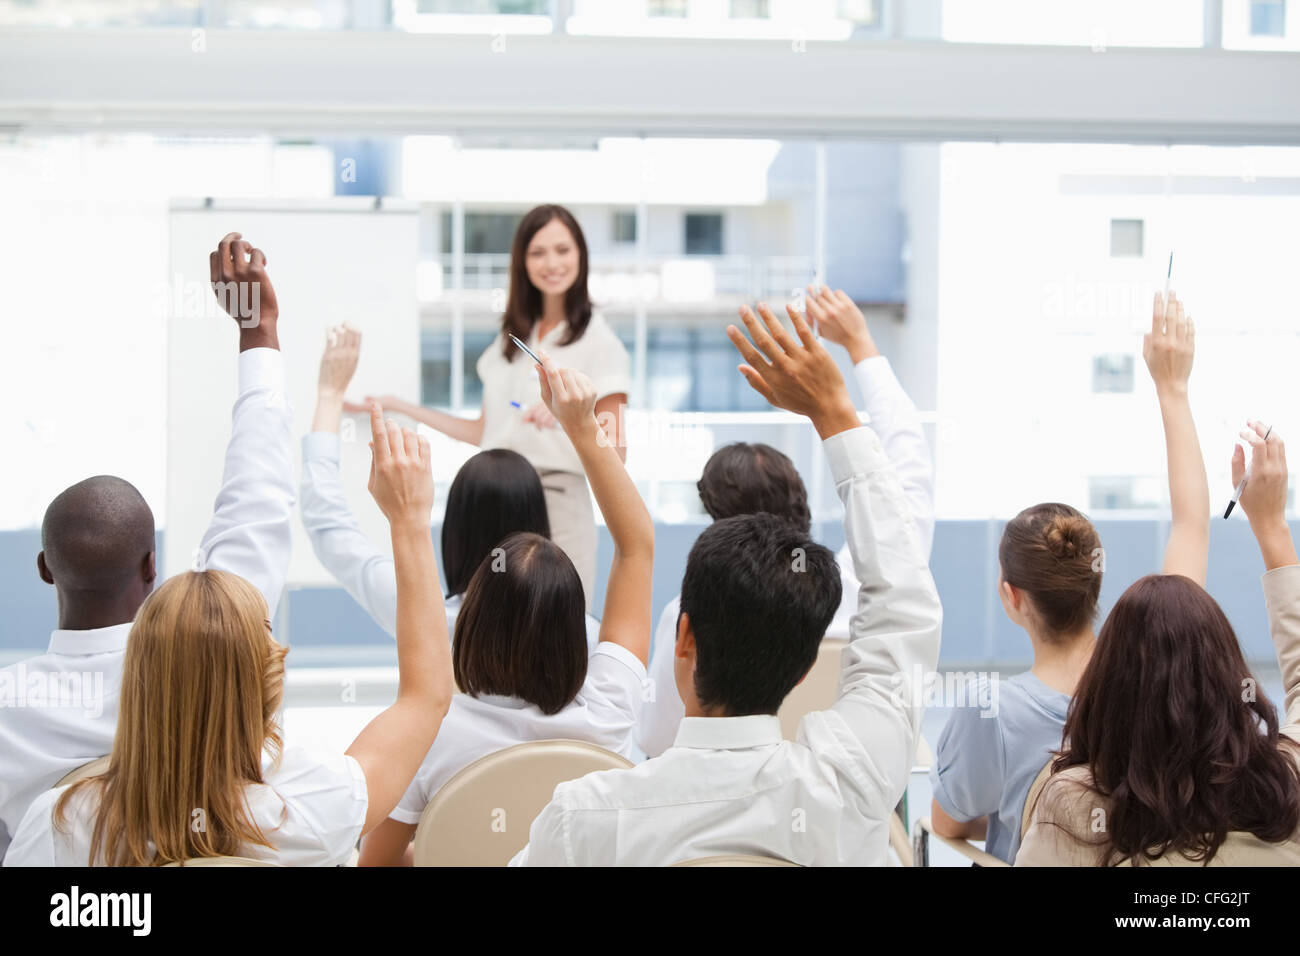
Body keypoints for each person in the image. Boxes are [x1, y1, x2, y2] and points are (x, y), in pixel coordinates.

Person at [510, 302, 942, 866]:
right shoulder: (850, 783)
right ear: (808, 663)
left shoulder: (584, 820)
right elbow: (905, 596)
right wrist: (835, 412)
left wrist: (580, 427)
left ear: (683, 639)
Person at [5, 399, 453, 866]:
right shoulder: (313, 807)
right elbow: (427, 697)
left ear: (135, 672)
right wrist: (409, 521)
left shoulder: (59, 825)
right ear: (263, 682)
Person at [0, 233, 295, 863]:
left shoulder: (6, 713)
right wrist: (257, 332)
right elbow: (259, 491)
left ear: (45, 571)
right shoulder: (221, 645)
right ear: (152, 566)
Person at [1016, 304, 1300, 866]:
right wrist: (1270, 525)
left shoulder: (1071, 813)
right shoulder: (1284, 796)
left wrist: (1171, 390)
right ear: (1229, 678)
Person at [932, 292, 1210, 864]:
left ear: (1011, 597)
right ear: (1096, 581)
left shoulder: (989, 711)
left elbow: (949, 823)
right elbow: (1191, 524)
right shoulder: (1160, 673)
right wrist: (1172, 387)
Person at [358, 352, 653, 866]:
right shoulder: (612, 707)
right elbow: (637, 548)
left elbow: (375, 866)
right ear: (576, 635)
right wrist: (583, 430)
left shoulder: (431, 736)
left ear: (469, 626)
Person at [635, 285, 935, 758]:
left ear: (716, 527)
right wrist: (860, 348)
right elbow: (908, 476)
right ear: (802, 503)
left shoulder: (686, 616)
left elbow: (654, 741)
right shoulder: (859, 596)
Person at [356, 205, 630, 608]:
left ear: (581, 255)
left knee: (558, 626)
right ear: (522, 261)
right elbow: (483, 431)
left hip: (556, 499)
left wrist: (569, 419)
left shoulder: (600, 342)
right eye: (538, 253)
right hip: (496, 496)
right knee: (492, 627)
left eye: (562, 250)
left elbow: (617, 453)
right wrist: (402, 407)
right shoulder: (514, 338)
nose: (551, 263)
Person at [303, 325, 600, 651]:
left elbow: (328, 527)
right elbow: (636, 551)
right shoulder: (582, 633)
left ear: (455, 532)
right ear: (541, 526)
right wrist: (583, 424)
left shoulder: (424, 616)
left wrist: (329, 394)